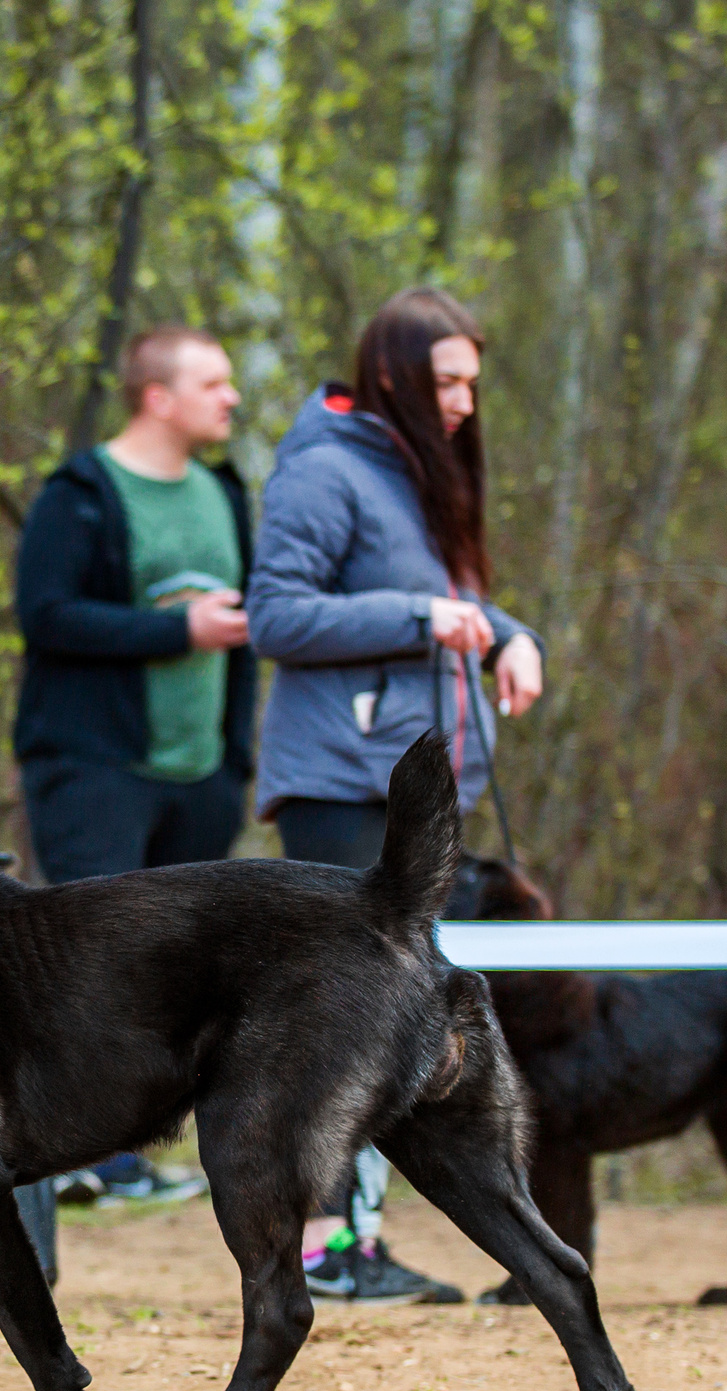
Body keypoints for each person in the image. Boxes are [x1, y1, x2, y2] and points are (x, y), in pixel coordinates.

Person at [246, 285, 545, 1304]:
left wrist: (509, 635)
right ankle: (327, 1243)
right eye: (447, 381)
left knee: (405, 1017)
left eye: (472, 381)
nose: (465, 400)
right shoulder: (322, 472)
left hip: (416, 790)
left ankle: (362, 1237)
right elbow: (278, 616)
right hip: (339, 780)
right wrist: (423, 615)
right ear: (393, 379)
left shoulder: (416, 475)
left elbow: (453, 603)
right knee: (339, 1017)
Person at [16, 326, 255, 1205]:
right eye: (213, 382)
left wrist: (238, 758)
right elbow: (46, 616)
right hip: (95, 768)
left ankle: (132, 1150)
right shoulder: (81, 492)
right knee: (86, 958)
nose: (231, 398)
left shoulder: (227, 491)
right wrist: (177, 630)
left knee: (173, 970)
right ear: (158, 394)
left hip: (203, 775)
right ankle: (76, 1152)